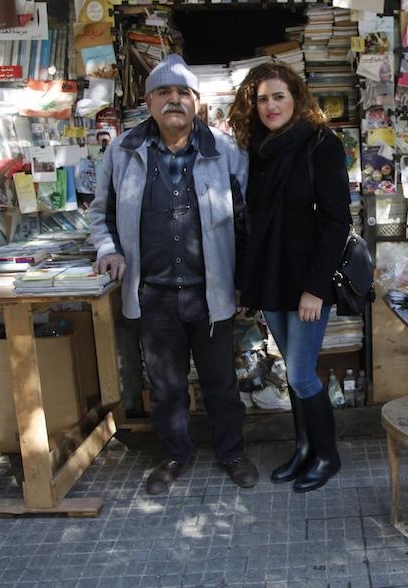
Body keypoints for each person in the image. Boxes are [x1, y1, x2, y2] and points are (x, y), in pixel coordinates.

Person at [88, 54, 257, 495]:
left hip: (212, 292)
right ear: (148, 101)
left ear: (197, 102)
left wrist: (243, 282)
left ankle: (232, 452)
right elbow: (99, 213)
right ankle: (173, 455)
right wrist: (108, 248)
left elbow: (247, 221)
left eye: (183, 92)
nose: (174, 100)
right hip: (153, 295)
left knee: (221, 382)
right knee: (165, 386)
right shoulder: (123, 151)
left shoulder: (225, 150)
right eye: (164, 92)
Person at [228, 62, 351, 493]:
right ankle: (303, 449)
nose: (270, 105)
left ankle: (328, 455)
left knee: (300, 375)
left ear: (296, 97)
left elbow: (338, 223)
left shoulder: (322, 144)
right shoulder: (259, 150)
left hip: (307, 282)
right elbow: (252, 223)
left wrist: (315, 288)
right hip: (272, 278)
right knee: (295, 370)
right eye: (261, 99)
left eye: (278, 96)